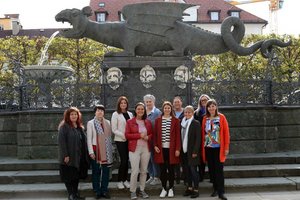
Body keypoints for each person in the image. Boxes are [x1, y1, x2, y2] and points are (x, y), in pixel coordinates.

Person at [58, 107, 89, 200]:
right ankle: (71, 195)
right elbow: (61, 142)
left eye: (75, 114)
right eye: (71, 114)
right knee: (68, 177)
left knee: (76, 177)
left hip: (78, 157)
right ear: (68, 116)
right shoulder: (64, 127)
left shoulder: (80, 127)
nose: (74, 116)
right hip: (69, 157)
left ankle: (75, 195)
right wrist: (65, 155)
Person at [202, 99, 230, 200]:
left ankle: (221, 192)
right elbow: (203, 134)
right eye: (209, 106)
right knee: (212, 170)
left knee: (219, 170)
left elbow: (226, 133)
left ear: (216, 107)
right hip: (208, 148)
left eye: (213, 106)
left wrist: (226, 147)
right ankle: (215, 189)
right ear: (207, 108)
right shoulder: (205, 118)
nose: (211, 108)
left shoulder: (221, 117)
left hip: (219, 148)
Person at [153, 101, 181, 198]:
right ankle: (164, 188)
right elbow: (155, 135)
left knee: (171, 169)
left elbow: (178, 136)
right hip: (161, 150)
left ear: (171, 109)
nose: (167, 109)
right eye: (165, 108)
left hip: (172, 150)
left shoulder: (176, 121)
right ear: (163, 109)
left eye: (169, 108)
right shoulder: (158, 120)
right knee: (163, 170)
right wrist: (155, 145)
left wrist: (178, 149)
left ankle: (171, 188)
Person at [125, 102, 153, 200]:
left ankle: (142, 190)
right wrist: (139, 135)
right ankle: (132, 191)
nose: (140, 111)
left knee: (144, 171)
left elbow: (151, 134)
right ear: (135, 110)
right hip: (134, 149)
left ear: (144, 111)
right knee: (135, 170)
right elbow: (127, 135)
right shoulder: (129, 122)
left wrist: (148, 137)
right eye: (138, 109)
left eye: (142, 109)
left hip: (146, 149)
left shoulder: (148, 122)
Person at [87, 105, 113, 199]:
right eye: (98, 110)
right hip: (95, 150)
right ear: (95, 112)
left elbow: (109, 138)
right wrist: (91, 152)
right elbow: (89, 139)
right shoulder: (91, 123)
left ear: (104, 112)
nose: (100, 112)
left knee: (106, 171)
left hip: (106, 151)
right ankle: (97, 191)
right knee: (96, 171)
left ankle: (104, 190)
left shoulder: (108, 122)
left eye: (102, 110)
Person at [111, 96, 133, 189]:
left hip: (130, 140)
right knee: (123, 160)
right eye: (121, 103)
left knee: (127, 160)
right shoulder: (115, 114)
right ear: (119, 104)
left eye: (125, 103)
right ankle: (120, 181)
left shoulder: (130, 114)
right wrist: (124, 135)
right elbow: (114, 129)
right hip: (121, 140)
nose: (123, 104)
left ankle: (125, 180)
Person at [181, 105, 201, 198]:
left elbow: (198, 139)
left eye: (189, 112)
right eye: (186, 112)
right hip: (184, 151)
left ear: (193, 113)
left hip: (192, 152)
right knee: (187, 171)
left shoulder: (196, 123)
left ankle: (196, 189)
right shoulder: (182, 123)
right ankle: (189, 188)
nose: (187, 114)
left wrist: (195, 151)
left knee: (193, 171)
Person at [143, 94, 161, 186]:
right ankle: (151, 175)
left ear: (153, 102)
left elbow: (159, 126)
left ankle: (157, 177)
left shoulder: (157, 112)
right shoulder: (143, 112)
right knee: (147, 159)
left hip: (154, 139)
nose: (148, 103)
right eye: (147, 101)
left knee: (154, 158)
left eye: (150, 101)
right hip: (144, 140)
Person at [194, 94, 211, 182]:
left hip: (211, 138)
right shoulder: (197, 113)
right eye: (202, 101)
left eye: (205, 100)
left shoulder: (212, 111)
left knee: (211, 158)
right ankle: (201, 175)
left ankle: (213, 177)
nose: (204, 102)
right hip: (200, 138)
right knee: (201, 158)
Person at [172, 96, 184, 184]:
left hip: (184, 138)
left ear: (181, 102)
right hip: (174, 139)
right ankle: (177, 177)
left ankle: (185, 177)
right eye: (175, 102)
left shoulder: (186, 111)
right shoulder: (171, 112)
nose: (177, 103)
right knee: (175, 158)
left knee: (183, 158)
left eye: (178, 102)